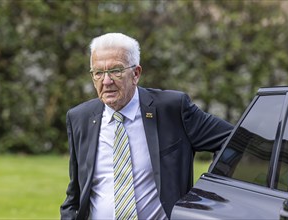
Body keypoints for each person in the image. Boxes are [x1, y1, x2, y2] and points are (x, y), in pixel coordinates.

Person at [60, 33, 233, 220]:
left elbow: (234, 141)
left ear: (136, 74)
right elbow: (75, 194)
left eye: (116, 71)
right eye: (98, 73)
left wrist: (209, 191)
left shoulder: (172, 109)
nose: (106, 81)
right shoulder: (80, 117)